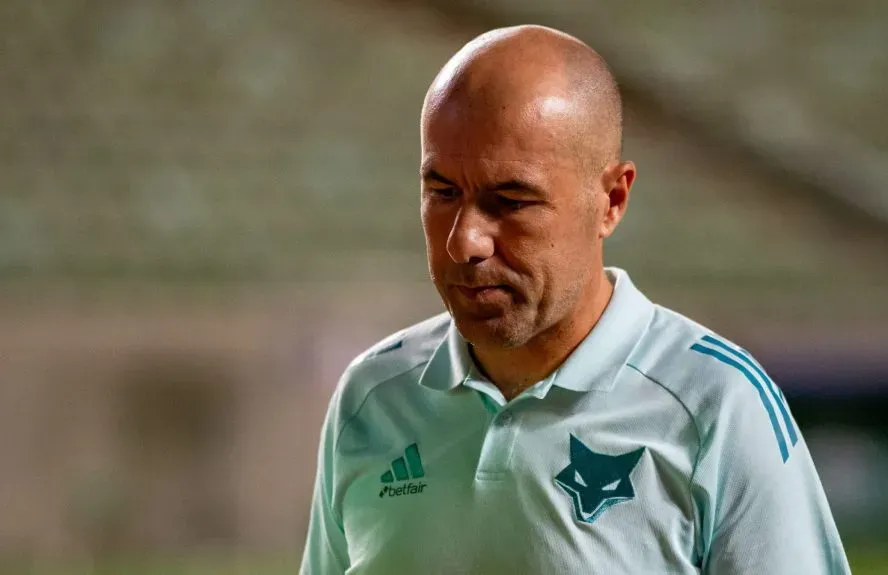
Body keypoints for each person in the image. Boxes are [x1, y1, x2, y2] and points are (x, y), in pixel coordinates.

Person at [300, 24, 850, 575]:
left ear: (612, 199)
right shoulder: (372, 397)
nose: (464, 241)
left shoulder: (717, 405)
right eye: (442, 192)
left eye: (511, 200)